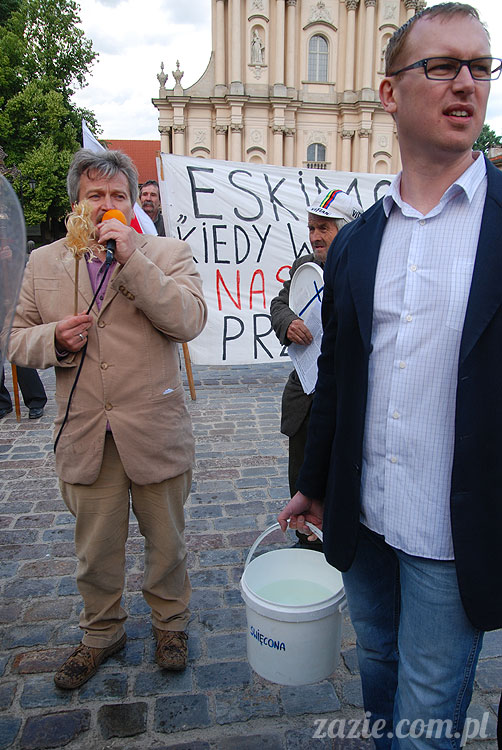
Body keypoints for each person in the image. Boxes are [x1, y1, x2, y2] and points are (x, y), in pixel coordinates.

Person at [278, 3, 502, 747]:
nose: (466, 82)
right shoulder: (357, 241)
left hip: (453, 529)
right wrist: (313, 481)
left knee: (429, 701)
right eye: (442, 65)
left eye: (480, 67)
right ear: (389, 93)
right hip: (364, 513)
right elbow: (336, 377)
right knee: (377, 661)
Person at [8, 149, 207, 689]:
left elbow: (189, 319)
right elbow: (14, 337)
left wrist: (134, 261)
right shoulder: (43, 262)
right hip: (85, 434)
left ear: (132, 203)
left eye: (118, 195)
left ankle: (170, 624)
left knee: (167, 543)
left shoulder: (166, 252)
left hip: (155, 431)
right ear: (76, 203)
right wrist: (52, 339)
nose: (106, 204)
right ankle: (101, 632)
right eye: (95, 195)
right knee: (94, 551)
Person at [270, 189, 361, 549]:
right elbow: (280, 303)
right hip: (306, 400)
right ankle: (306, 542)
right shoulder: (305, 266)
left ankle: (339, 546)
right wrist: (288, 321)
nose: (315, 236)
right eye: (311, 228)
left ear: (346, 228)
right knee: (303, 478)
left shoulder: (365, 267)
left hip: (346, 397)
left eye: (324, 228)